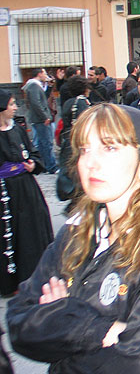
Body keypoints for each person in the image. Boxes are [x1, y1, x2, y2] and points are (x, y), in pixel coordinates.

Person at [6, 103, 140, 373]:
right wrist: (101, 330)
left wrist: (60, 319)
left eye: (110, 148)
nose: (91, 163)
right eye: (84, 149)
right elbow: (19, 321)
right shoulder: (77, 230)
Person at [0, 89, 54, 297]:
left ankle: (30, 278)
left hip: (26, 189)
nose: (15, 108)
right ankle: (8, 282)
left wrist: (32, 164)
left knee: (30, 233)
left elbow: (32, 152)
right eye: (12, 104)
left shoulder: (18, 129)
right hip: (5, 192)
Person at [57, 76, 92, 204]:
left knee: (69, 171)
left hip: (67, 140)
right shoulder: (82, 102)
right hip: (78, 141)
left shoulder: (68, 102)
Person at [22, 68, 58, 174]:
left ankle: (46, 165)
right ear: (39, 74)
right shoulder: (33, 85)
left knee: (44, 142)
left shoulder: (37, 85)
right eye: (44, 73)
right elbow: (36, 103)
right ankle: (50, 166)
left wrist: (49, 86)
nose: (46, 75)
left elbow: (43, 99)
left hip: (40, 118)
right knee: (46, 143)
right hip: (40, 119)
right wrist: (44, 117)